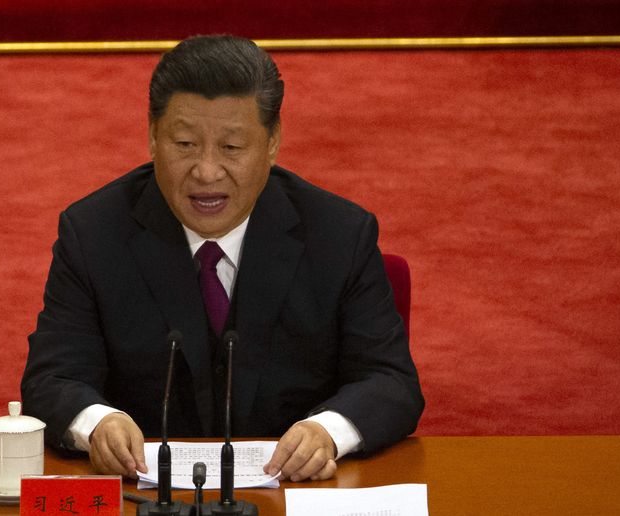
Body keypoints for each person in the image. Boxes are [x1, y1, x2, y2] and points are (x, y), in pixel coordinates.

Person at [21, 34, 424, 483]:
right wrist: (97, 423)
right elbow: (50, 379)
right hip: (149, 498)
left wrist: (326, 432)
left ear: (272, 143)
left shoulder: (339, 234)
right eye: (185, 144)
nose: (207, 172)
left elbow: (390, 382)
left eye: (232, 148)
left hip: (290, 492)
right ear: (153, 137)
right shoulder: (93, 233)